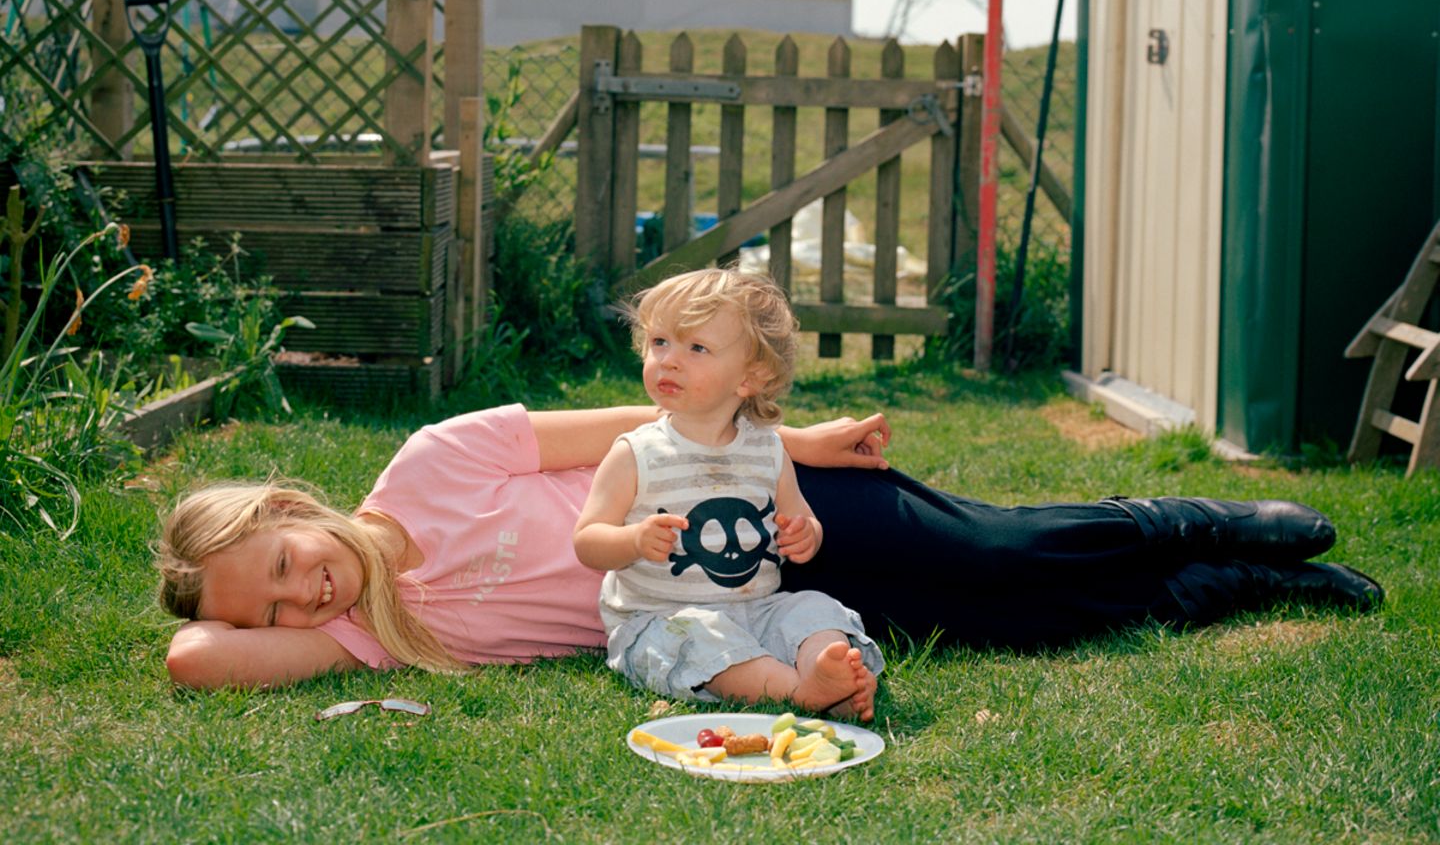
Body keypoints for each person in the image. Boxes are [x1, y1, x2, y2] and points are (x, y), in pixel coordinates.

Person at [158, 338, 1382, 692]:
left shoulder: (434, 463)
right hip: (769, 610)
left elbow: (623, 429)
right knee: (1022, 625)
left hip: (778, 499)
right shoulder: (382, 632)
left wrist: (796, 443)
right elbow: (194, 653)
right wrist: (221, 603)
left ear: (287, 505)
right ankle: (1226, 591)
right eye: (275, 605)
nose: (300, 594)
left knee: (999, 552)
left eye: (282, 560)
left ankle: (1200, 522)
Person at [572, 269, 882, 719]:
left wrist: (805, 535)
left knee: (812, 608)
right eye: (660, 342)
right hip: (661, 623)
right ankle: (802, 694)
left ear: (750, 377)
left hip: (756, 610)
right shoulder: (637, 453)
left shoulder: (767, 448)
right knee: (702, 636)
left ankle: (827, 672)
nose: (669, 360)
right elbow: (587, 540)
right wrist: (633, 541)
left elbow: (803, 518)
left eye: (696, 348)